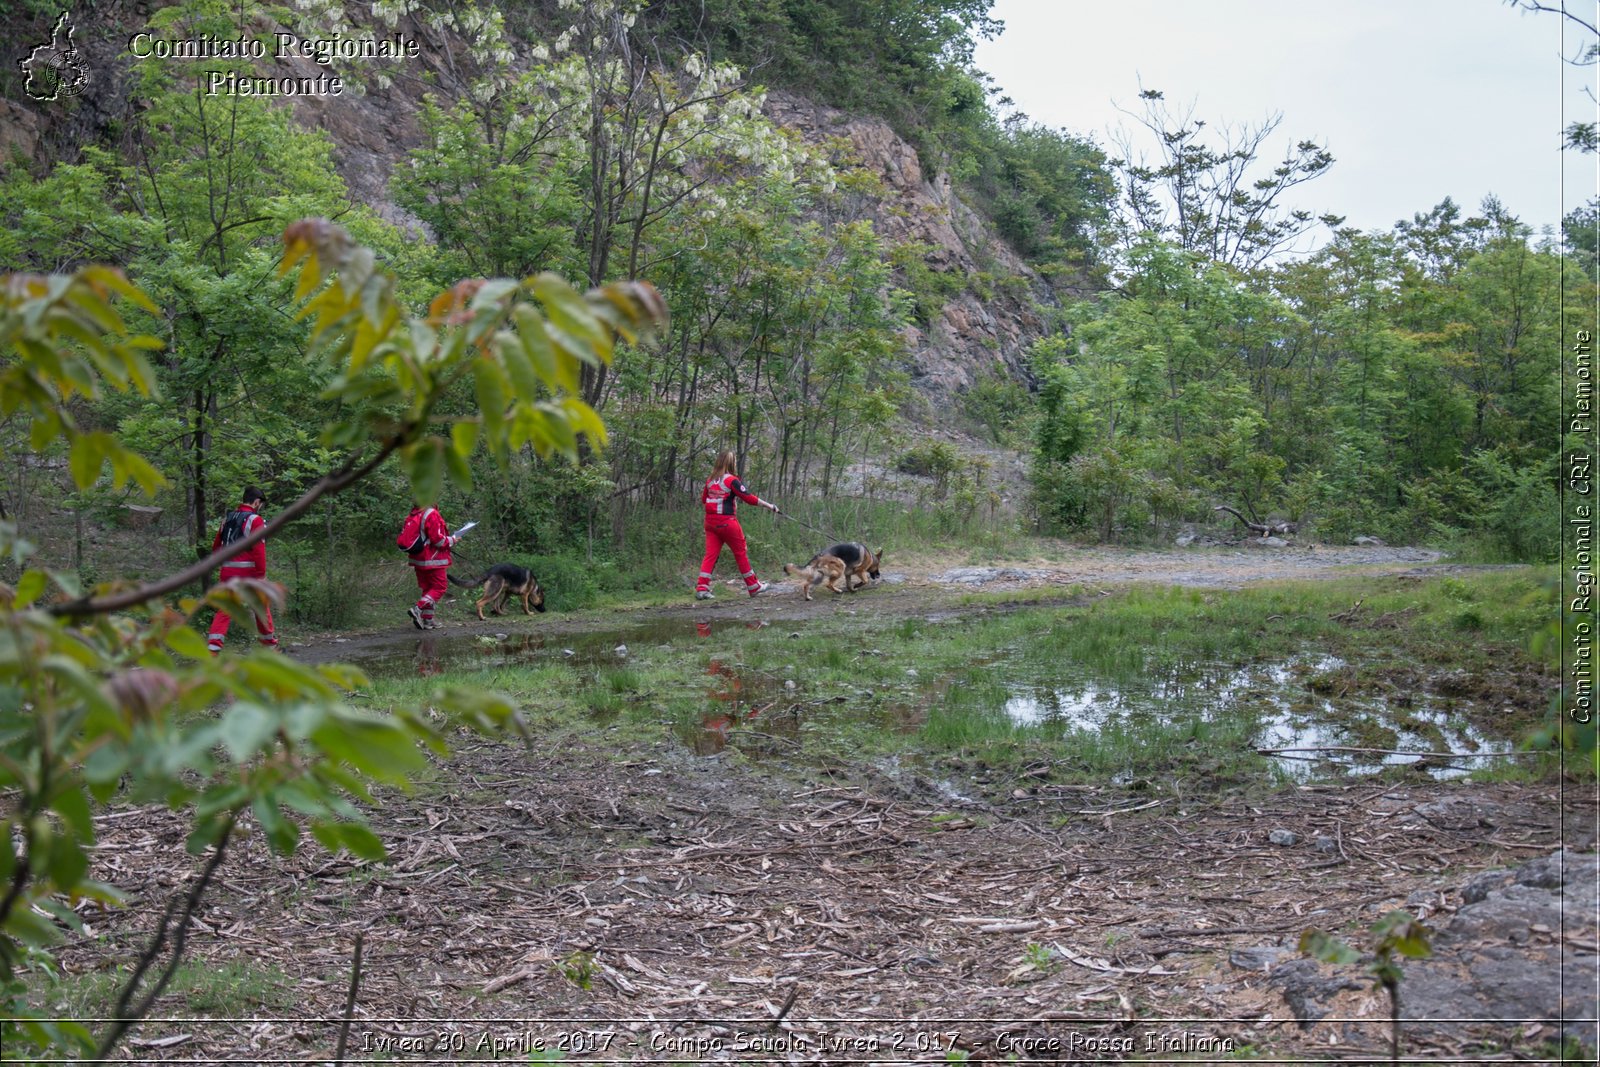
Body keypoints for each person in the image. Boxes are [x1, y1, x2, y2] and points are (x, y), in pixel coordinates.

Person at [695, 450, 779, 600]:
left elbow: (704, 500)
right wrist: (770, 506)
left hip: (710, 524)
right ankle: (754, 586)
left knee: (710, 555)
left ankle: (702, 588)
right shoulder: (731, 480)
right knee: (740, 552)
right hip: (727, 523)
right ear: (730, 462)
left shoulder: (710, 480)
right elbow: (749, 499)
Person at [206, 487, 277, 654]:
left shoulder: (227, 519)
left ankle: (213, 650)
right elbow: (259, 550)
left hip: (227, 572)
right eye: (260, 504)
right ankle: (270, 647)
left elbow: (216, 547)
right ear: (256, 502)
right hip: (248, 574)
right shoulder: (255, 520)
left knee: (225, 609)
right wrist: (261, 575)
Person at [403, 503, 459, 629]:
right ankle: (417, 609)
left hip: (418, 558)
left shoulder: (415, 513)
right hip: (433, 559)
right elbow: (438, 541)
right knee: (440, 587)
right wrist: (453, 540)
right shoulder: (431, 513)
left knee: (428, 588)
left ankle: (427, 619)